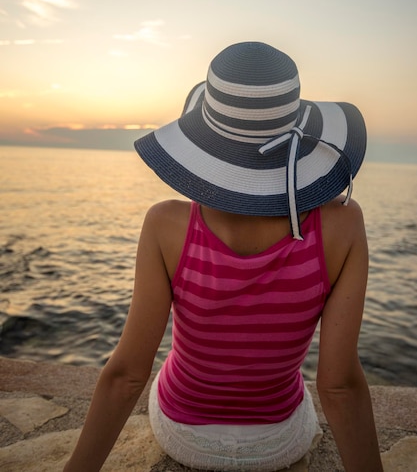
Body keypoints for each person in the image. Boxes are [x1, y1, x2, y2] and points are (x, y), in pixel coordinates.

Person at [64, 42, 383, 471]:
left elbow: (127, 376)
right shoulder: (343, 224)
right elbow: (339, 386)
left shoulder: (165, 224)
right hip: (278, 442)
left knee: (165, 372)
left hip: (184, 435)